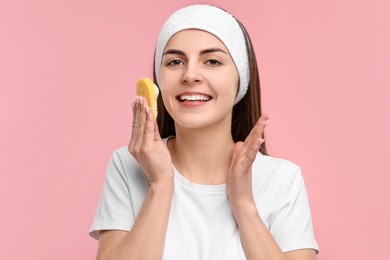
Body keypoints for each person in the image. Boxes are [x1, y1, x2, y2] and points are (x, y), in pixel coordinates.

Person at [89, 4, 319, 260]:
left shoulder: (282, 179)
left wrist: (243, 204)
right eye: (175, 61)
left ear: (240, 79)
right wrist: (160, 185)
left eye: (212, 61)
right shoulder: (127, 164)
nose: (190, 75)